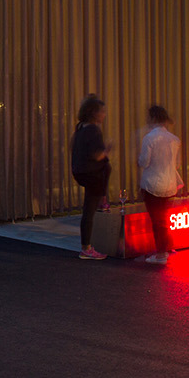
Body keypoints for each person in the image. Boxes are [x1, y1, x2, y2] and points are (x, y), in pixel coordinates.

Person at [137, 105, 183, 265]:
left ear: (153, 118)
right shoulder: (174, 139)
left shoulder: (149, 138)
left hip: (152, 184)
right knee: (164, 219)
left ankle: (161, 254)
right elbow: (176, 165)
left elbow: (144, 161)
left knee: (157, 221)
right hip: (170, 184)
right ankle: (166, 248)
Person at [71, 95, 113, 260]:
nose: (104, 115)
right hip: (92, 174)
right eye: (102, 112)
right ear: (94, 113)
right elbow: (97, 156)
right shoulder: (94, 130)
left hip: (80, 171)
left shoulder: (80, 126)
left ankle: (103, 200)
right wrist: (108, 148)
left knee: (88, 209)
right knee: (88, 211)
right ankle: (86, 248)